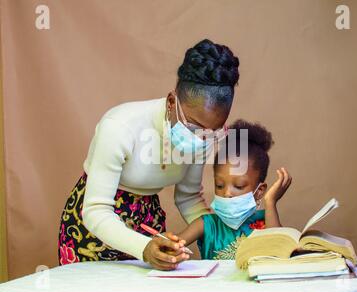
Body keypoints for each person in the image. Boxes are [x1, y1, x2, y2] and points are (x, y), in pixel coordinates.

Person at [58, 39, 240, 270]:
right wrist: (143, 248)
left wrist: (224, 233)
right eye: (194, 128)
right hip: (95, 226)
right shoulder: (119, 127)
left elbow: (188, 197)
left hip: (147, 222)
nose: (203, 139)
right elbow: (96, 210)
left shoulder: (202, 136)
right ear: (172, 102)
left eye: (213, 132)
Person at [175, 119, 292, 259]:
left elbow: (279, 253)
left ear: (259, 191)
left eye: (239, 186)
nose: (227, 193)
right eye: (219, 185)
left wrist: (271, 202)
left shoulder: (267, 220)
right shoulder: (207, 224)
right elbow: (170, 245)